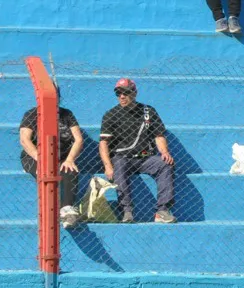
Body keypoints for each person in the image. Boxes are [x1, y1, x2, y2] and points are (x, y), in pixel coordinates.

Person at [98, 78, 176, 224]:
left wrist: (164, 152)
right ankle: (127, 211)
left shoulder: (148, 112)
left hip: (146, 158)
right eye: (118, 93)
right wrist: (108, 166)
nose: (122, 96)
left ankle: (162, 211)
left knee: (165, 164)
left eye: (125, 92)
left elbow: (159, 135)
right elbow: (103, 143)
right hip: (122, 157)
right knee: (118, 166)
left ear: (134, 93)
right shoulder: (111, 114)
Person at [18, 87, 85, 228]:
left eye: (55, 97)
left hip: (61, 157)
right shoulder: (32, 114)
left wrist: (70, 159)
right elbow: (24, 140)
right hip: (34, 157)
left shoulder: (66, 114)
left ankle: (67, 210)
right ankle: (48, 216)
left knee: (70, 170)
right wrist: (40, 158)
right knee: (45, 171)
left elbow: (78, 139)